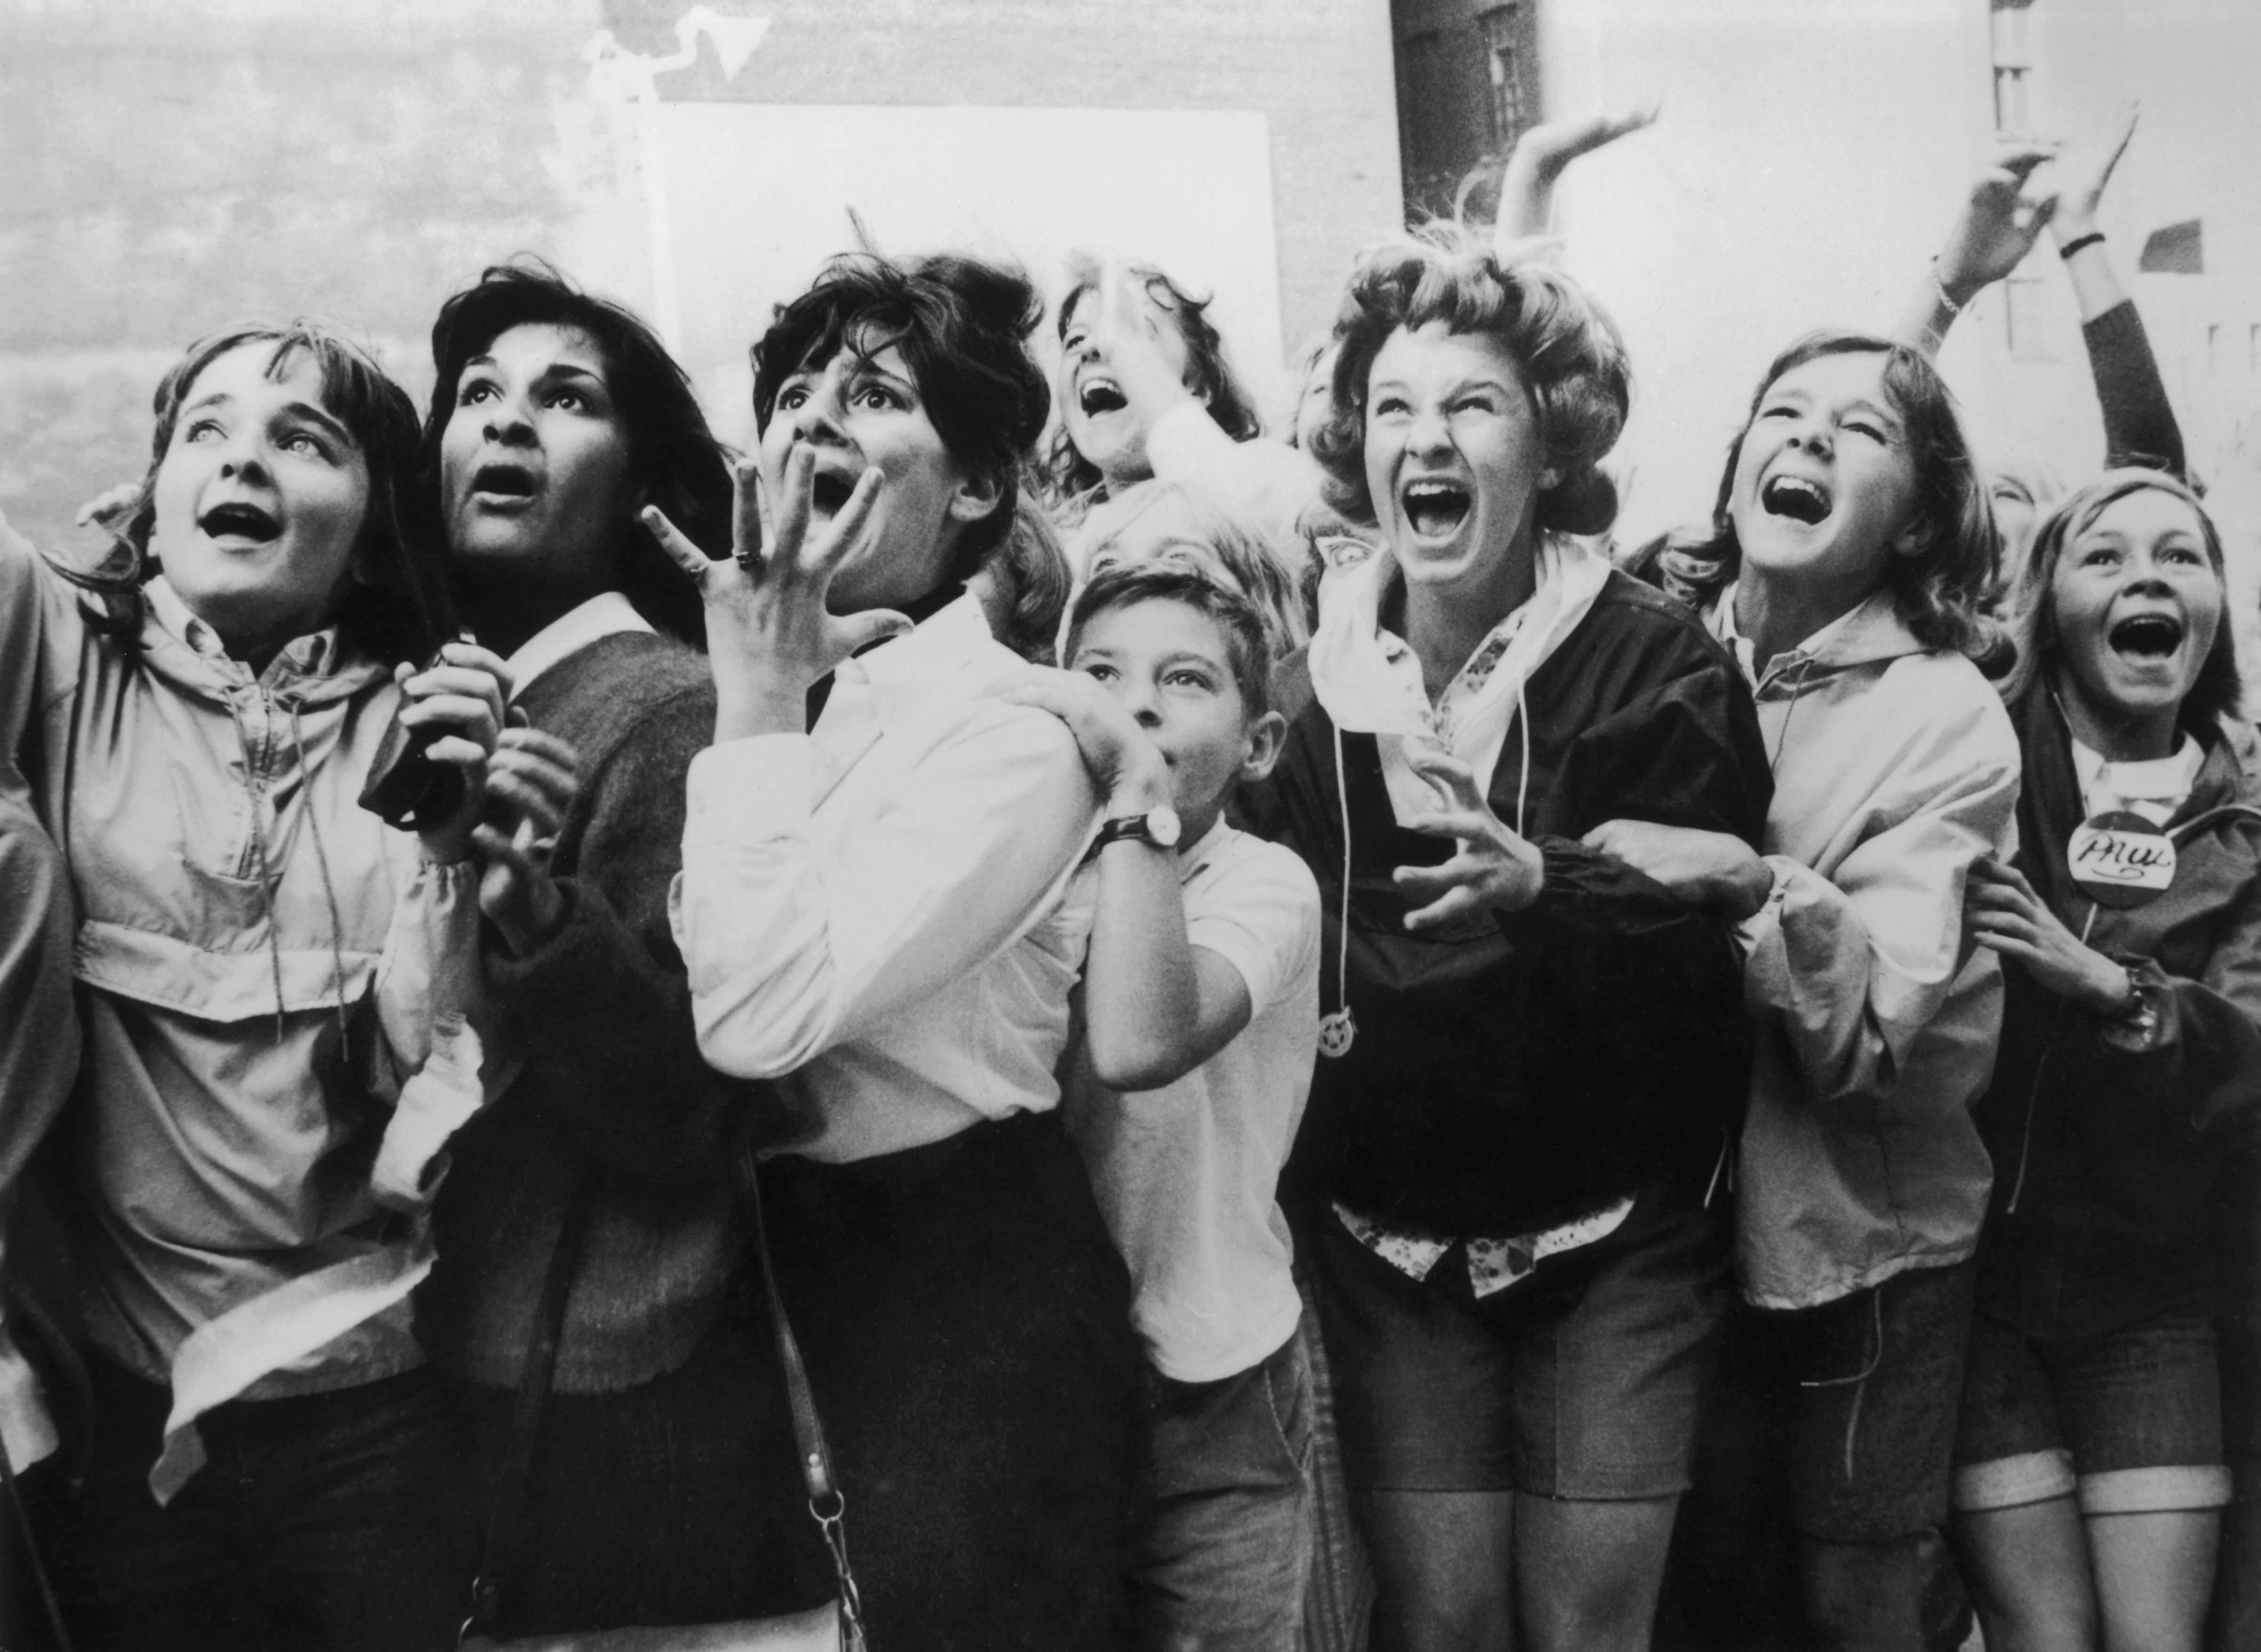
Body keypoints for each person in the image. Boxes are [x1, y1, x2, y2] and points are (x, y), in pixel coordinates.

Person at [1252, 227, 1771, 1652]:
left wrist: (1552, 885)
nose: (1424, 438)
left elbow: (1714, 945)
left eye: (1470, 404)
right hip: (1387, 1243)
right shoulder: (1304, 693)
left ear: (1551, 446)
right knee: (1441, 1623)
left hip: (1613, 1237)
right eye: (1393, 409)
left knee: (1588, 1628)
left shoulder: (1659, 660)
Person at [648, 249, 1137, 1652]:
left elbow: (750, 1017)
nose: (808, 419)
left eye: (868, 393)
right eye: (794, 391)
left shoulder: (1015, 737)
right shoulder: (808, 701)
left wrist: (749, 694)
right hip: (786, 1258)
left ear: (977, 483)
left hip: (964, 1280)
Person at [0, 321, 506, 1652]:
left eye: (304, 438)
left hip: (373, 1409)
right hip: (124, 1409)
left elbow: (432, 1078)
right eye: (205, 433)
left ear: (374, 518)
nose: (245, 458)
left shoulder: (428, 718)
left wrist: (457, 843)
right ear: (154, 488)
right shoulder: (54, 658)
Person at [407, 263, 835, 1639]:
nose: (507, 423)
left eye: (563, 397)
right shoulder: (470, 698)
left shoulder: (657, 705)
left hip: (617, 1403)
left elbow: (684, 1108)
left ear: (642, 471)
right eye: (478, 396)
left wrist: (538, 913)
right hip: (494, 1369)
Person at [1611, 332, 2017, 1652]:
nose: (1806, 440)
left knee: (1854, 1597)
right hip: (1660, 1236)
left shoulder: (1947, 712)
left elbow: (1883, 1043)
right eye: (1780, 412)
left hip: (1861, 1252)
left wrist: (1748, 882)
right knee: (1697, 1594)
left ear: (1918, 521)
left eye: (1861, 432)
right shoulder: (1647, 642)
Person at [1949, 470, 2253, 1652]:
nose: (2144, 577)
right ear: (2044, 603)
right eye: (2103, 554)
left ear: (2217, 605)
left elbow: (2247, 1054)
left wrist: (2110, 988)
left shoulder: (2244, 824)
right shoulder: (1981, 744)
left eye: (2179, 555)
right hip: (1977, 1284)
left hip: (2149, 1290)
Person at [1008, 563, 1319, 1652]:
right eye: (1099, 673)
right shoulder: (1015, 874)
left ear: (1260, 744)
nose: (1133, 702)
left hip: (1217, 1379)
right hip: (1051, 1375)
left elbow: (1142, 1037)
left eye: (1181, 680)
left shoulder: (1265, 883)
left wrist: (1133, 799)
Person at [1049, 259, 1321, 564]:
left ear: (1197, 386)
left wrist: (1131, 354)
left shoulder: (1274, 473)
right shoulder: (1060, 553)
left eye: (1137, 329)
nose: (1096, 347)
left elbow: (1240, 525)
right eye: (1075, 340)